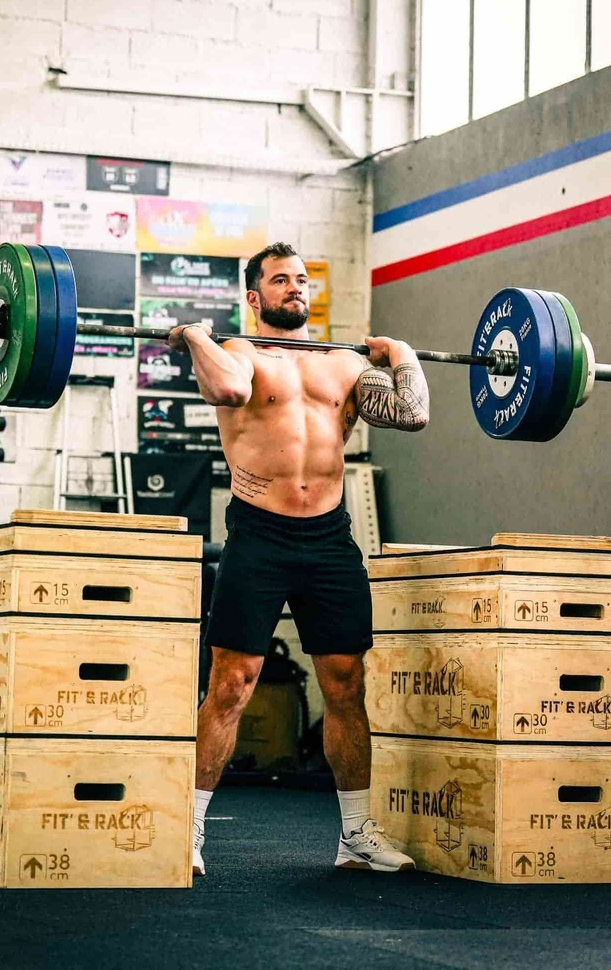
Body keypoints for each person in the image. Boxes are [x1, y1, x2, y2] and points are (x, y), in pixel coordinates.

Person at [167, 242, 429, 877]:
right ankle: (188, 830)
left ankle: (356, 836)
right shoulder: (239, 353)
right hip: (259, 535)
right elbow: (228, 390)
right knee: (232, 684)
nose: (295, 289)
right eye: (281, 281)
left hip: (329, 540)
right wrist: (193, 335)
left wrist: (404, 356)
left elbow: (414, 413)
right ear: (254, 298)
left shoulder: (342, 364)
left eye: (301, 280)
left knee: (345, 684)